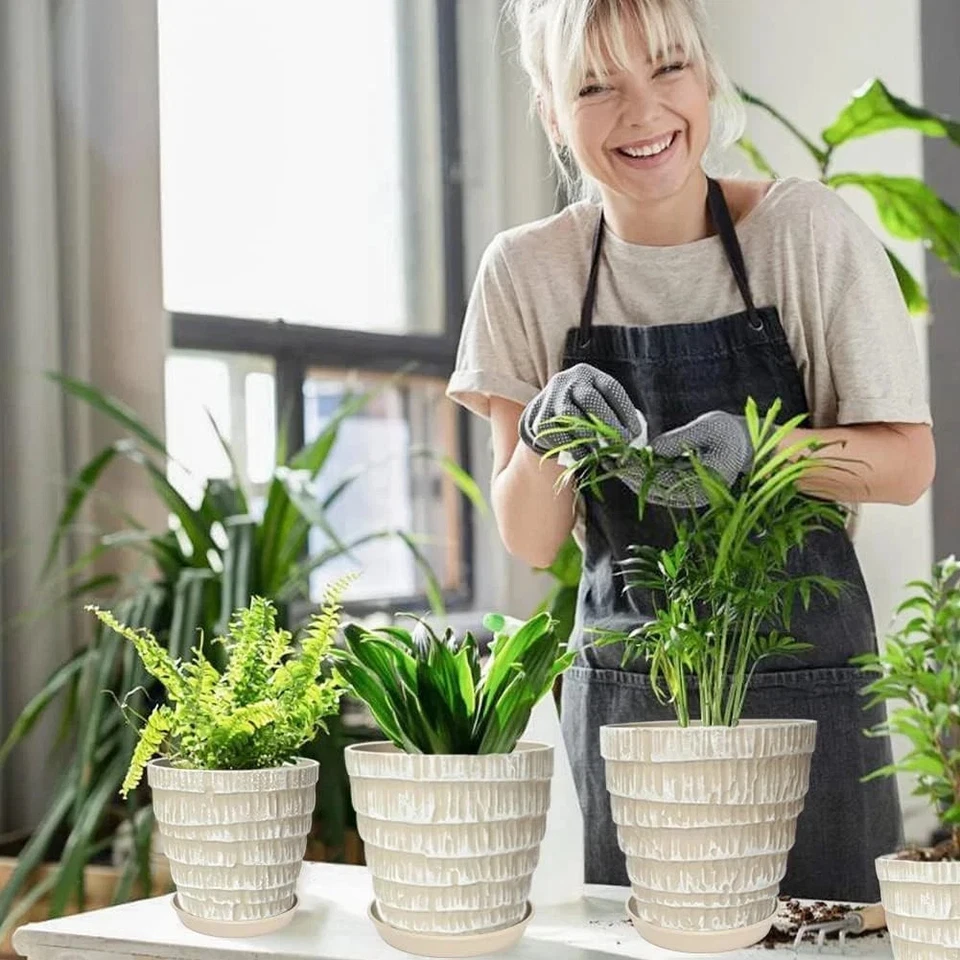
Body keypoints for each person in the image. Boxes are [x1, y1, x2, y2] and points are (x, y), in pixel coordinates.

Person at [445, 0, 935, 903]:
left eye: (668, 68)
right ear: (553, 110)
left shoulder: (805, 233)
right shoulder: (526, 270)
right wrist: (548, 428)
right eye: (596, 85)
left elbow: (906, 463)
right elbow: (529, 540)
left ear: (706, 75)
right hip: (634, 700)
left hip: (808, 687)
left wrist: (760, 452)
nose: (643, 113)